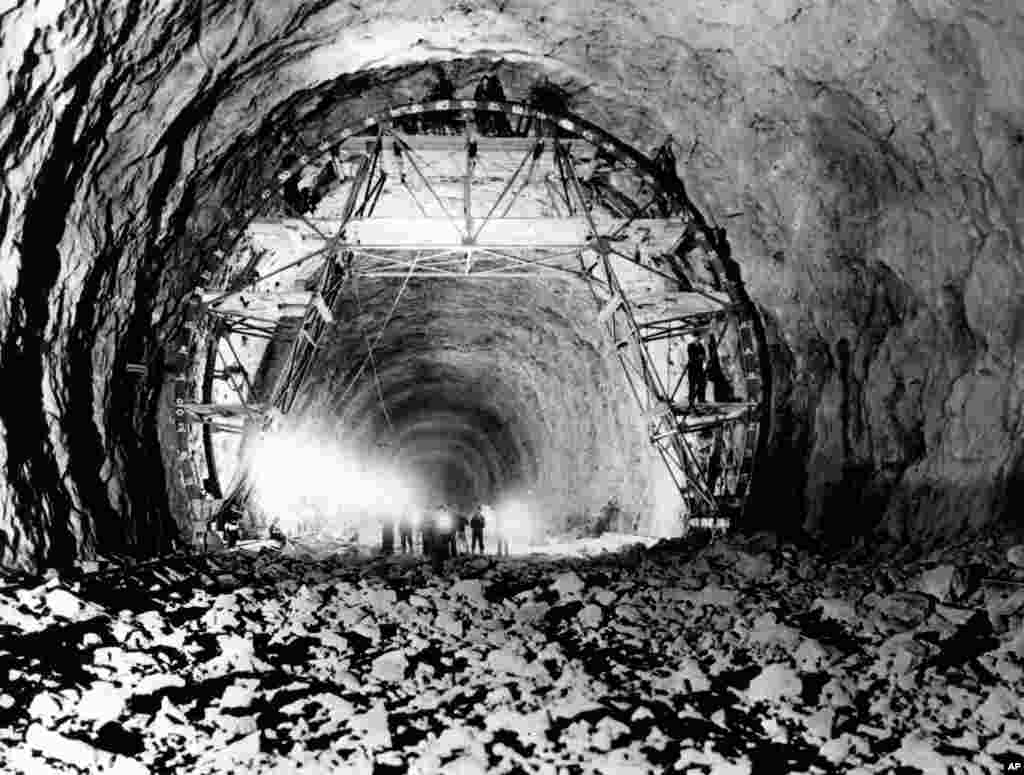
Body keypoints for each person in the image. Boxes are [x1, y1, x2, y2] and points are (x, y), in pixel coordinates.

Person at [687, 340, 707, 406]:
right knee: (692, 386)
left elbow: (704, 355)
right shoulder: (690, 345)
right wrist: (699, 357)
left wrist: (701, 357)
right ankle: (691, 401)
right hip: (692, 369)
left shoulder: (701, 345)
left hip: (699, 368)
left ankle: (701, 400)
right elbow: (691, 356)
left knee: (701, 384)